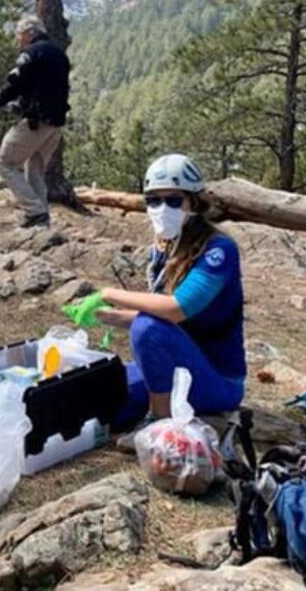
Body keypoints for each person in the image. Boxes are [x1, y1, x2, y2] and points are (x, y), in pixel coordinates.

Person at [69, 154, 246, 425]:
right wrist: (105, 315)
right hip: (178, 365)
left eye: (173, 200)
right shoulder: (166, 248)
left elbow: (175, 310)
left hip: (218, 380)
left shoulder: (218, 250)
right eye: (153, 200)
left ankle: (159, 421)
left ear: (194, 202)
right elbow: (160, 318)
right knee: (102, 396)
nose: (162, 208)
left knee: (147, 328)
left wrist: (108, 294)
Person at [0, 15, 71, 229]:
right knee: (35, 169)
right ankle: (41, 222)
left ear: (30, 33)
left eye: (20, 34)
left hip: (36, 121)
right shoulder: (59, 54)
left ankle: (35, 212)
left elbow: (15, 83)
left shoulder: (31, 54)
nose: (19, 39)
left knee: (5, 162)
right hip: (55, 125)